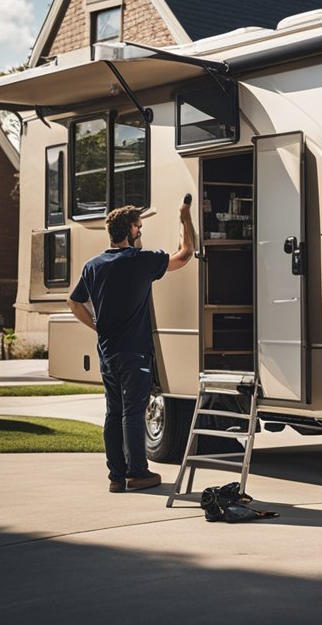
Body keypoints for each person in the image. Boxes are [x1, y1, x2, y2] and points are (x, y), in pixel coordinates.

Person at [68, 200, 195, 492]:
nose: (140, 231)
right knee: (133, 412)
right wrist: (185, 219)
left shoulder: (93, 265)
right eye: (139, 226)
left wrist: (97, 327)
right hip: (134, 351)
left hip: (108, 352)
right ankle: (138, 473)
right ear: (130, 230)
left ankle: (116, 477)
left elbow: (74, 303)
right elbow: (185, 255)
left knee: (113, 412)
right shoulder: (140, 260)